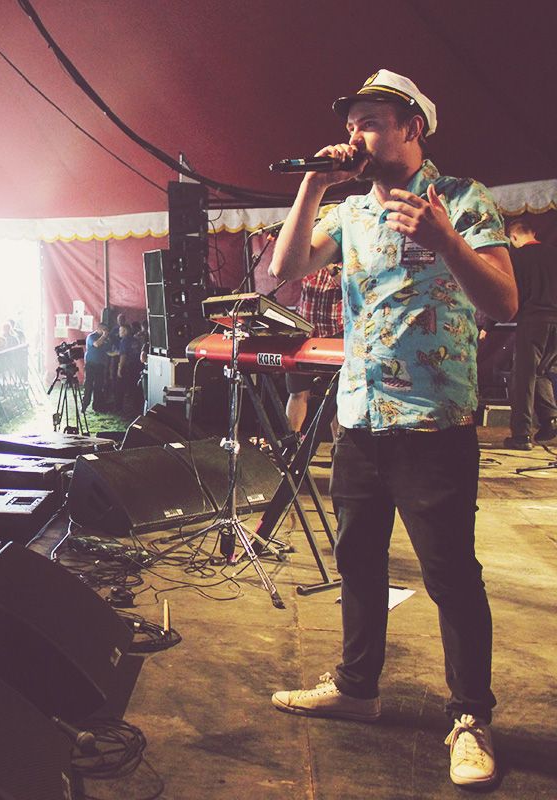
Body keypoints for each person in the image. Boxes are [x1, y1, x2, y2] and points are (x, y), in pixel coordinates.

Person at [268, 70, 515, 788]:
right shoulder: (349, 211)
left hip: (434, 422)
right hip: (359, 416)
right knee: (358, 561)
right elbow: (282, 268)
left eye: (373, 121)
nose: (357, 134)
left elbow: (504, 302)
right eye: (353, 123)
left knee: (450, 573)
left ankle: (470, 717)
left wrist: (448, 242)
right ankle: (356, 687)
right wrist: (313, 183)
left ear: (413, 128)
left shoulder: (461, 199)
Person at [502, 218, 557, 449]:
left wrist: (488, 325)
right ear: (533, 233)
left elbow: (509, 293)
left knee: (522, 377)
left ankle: (521, 435)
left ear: (513, 237)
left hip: (534, 320)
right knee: (541, 371)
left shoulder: (517, 257)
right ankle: (550, 420)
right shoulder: (554, 253)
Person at [285, 263, 344, 441]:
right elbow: (284, 272)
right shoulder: (310, 259)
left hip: (335, 333)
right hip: (305, 332)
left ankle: (338, 447)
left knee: (336, 398)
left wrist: (330, 267)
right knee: (297, 392)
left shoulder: (347, 258)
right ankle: (292, 443)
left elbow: (349, 285)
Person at [81, 321, 111, 413]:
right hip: (91, 364)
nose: (105, 331)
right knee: (88, 385)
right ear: (99, 329)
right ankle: (84, 405)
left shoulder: (106, 339)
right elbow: (96, 344)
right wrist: (104, 336)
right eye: (104, 329)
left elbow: (108, 350)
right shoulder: (92, 336)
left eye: (106, 330)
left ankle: (97, 406)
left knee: (99, 385)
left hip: (100, 365)